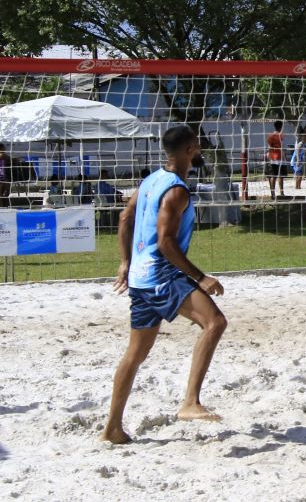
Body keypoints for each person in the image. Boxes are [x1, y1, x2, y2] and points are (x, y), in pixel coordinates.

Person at [101, 125, 228, 444]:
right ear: (189, 149)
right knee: (214, 322)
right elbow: (166, 241)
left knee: (135, 353)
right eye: (197, 146)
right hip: (160, 275)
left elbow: (124, 219)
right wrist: (201, 277)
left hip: (140, 278)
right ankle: (190, 402)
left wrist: (126, 262)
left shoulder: (149, 181)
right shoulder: (176, 190)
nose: (200, 151)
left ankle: (112, 428)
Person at [266, 120, 287, 198]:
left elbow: (269, 146)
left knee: (273, 176)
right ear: (281, 127)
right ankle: (281, 193)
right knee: (280, 176)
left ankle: (273, 193)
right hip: (279, 158)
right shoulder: (281, 136)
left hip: (273, 158)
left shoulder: (270, 136)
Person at [0, 143, 11, 208]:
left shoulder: (4, 156)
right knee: (1, 195)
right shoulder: (3, 155)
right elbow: (3, 156)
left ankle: (5, 207)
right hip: (1, 178)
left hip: (4, 177)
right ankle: (1, 208)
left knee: (6, 194)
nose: (5, 149)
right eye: (3, 148)